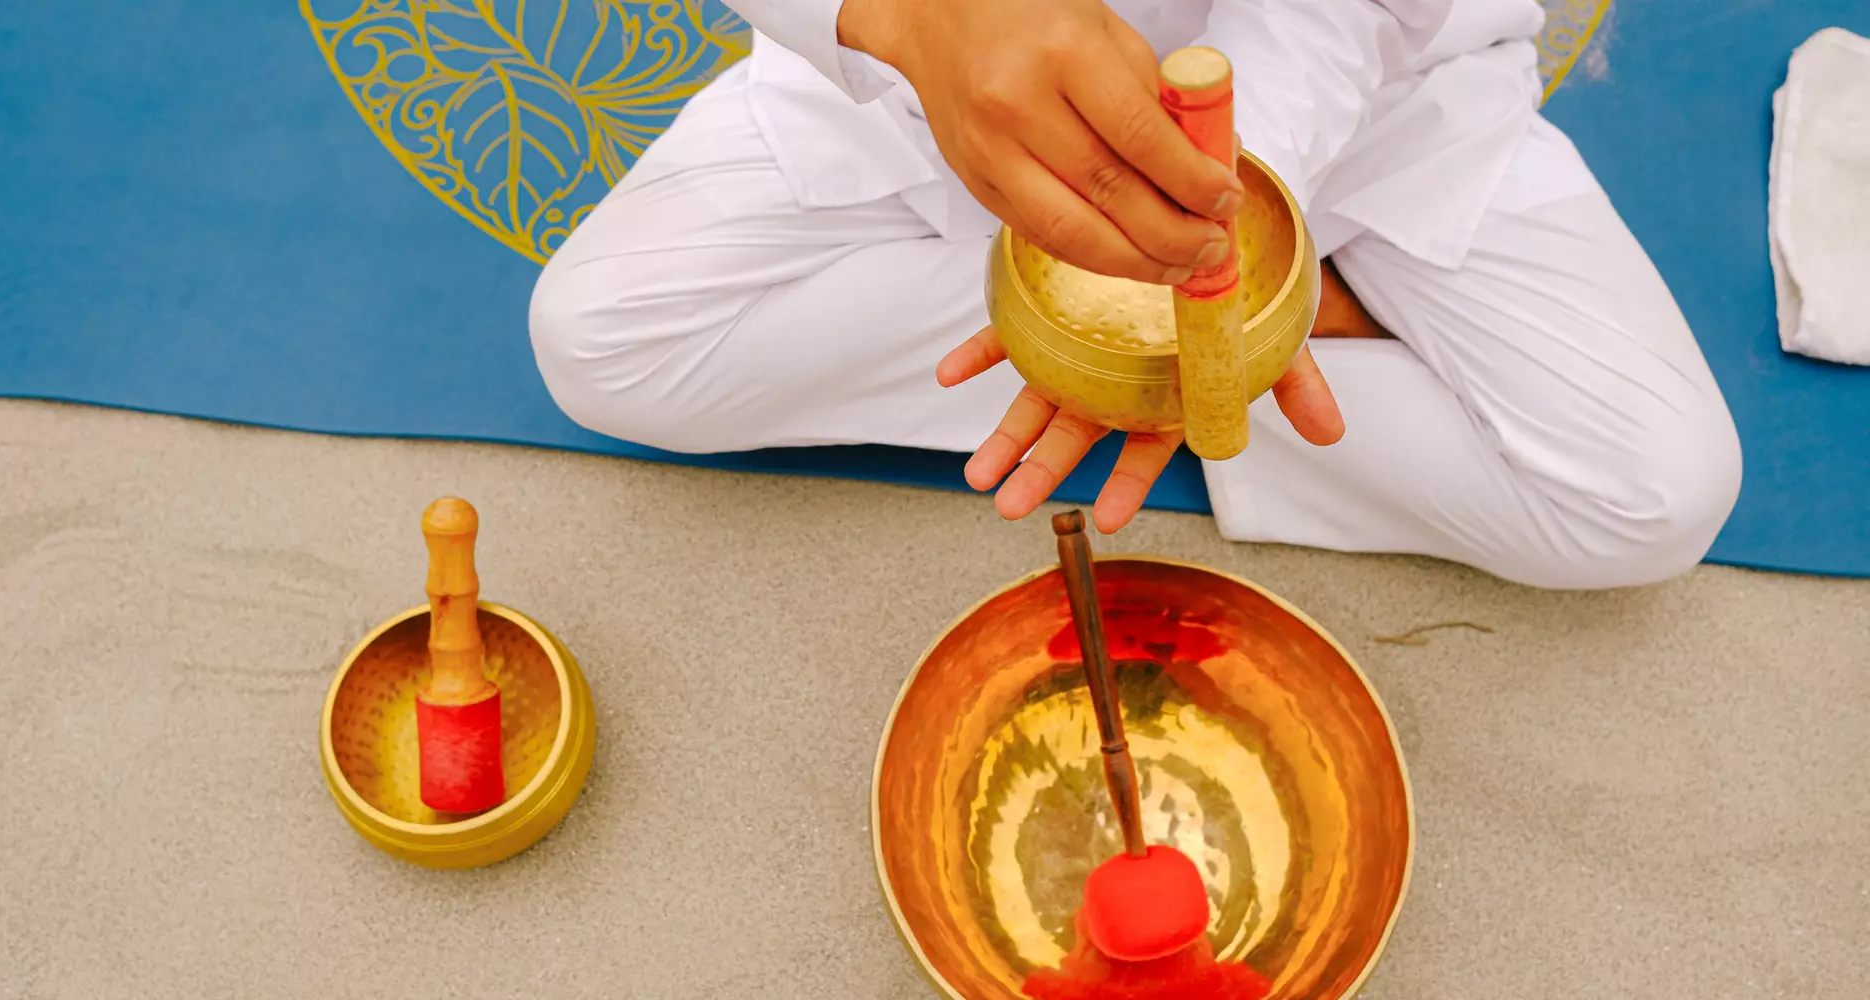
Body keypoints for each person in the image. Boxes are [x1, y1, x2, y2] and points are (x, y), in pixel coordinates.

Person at [528, 0, 1743, 590]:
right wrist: (898, 20)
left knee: (1650, 497)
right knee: (601, 343)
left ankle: (1211, 321)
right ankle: (1261, 330)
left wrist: (1215, 223)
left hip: (1354, 100)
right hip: (931, 82)